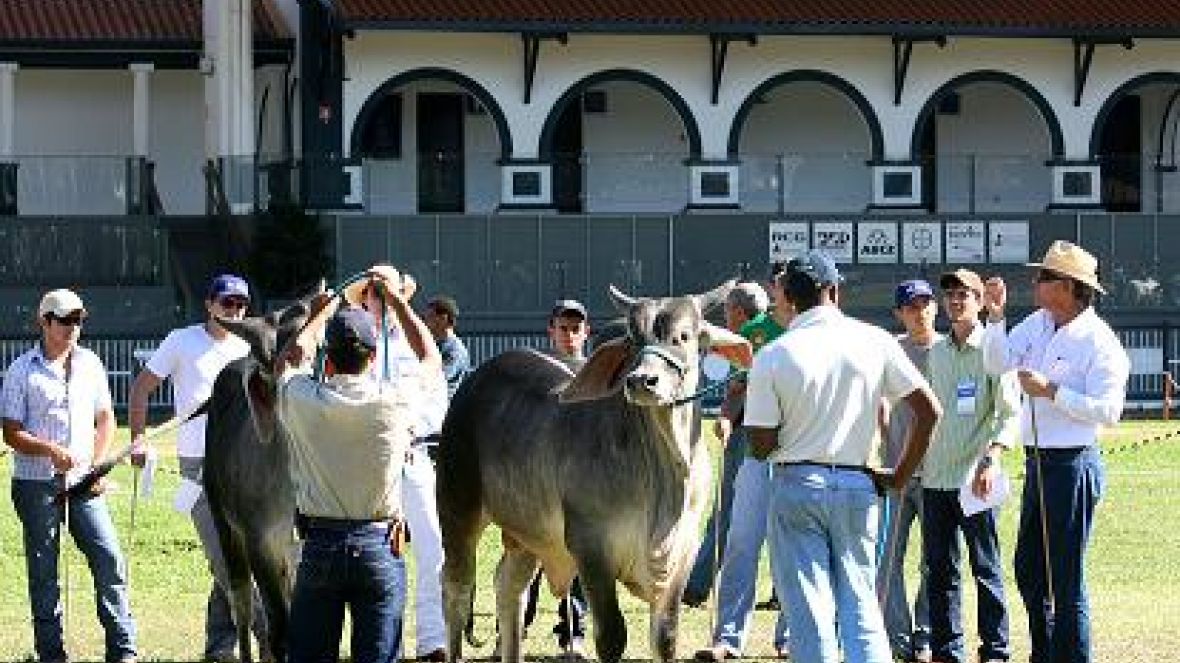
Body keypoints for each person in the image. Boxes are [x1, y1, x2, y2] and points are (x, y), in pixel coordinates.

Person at [745, 251, 941, 663]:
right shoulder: (874, 339)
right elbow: (929, 411)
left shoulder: (773, 356)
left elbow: (759, 446)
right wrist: (901, 474)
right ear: (834, 290)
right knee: (861, 605)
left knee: (810, 611)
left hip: (797, 483)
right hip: (859, 482)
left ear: (787, 298)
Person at [980, 240, 1129, 663]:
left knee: (1066, 579)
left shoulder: (1101, 343)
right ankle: (1046, 652)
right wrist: (994, 317)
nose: (1035, 282)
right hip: (1040, 462)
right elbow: (997, 364)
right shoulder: (1037, 322)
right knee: (1030, 570)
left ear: (1068, 286)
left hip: (1073, 464)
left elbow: (1109, 411)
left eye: (1044, 276)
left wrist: (1051, 391)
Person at [127, 273, 267, 662]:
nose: (234, 311)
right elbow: (140, 389)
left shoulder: (249, 346)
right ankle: (269, 634)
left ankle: (219, 647)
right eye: (227, 304)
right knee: (223, 557)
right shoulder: (181, 341)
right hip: (198, 465)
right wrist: (137, 439)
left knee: (235, 553)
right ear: (208, 305)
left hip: (245, 463)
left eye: (241, 304)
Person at [2, 288, 138, 663]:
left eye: (79, 320)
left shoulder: (92, 364)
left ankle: (123, 651)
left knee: (109, 557)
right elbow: (11, 432)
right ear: (43, 322)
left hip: (84, 481)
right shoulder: (20, 370)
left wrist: (95, 464)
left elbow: (106, 418)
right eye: (66, 320)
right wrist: (50, 451)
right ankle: (51, 653)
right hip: (35, 483)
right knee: (44, 572)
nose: (74, 327)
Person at [276, 304, 415, 663]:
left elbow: (289, 360)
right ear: (373, 356)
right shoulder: (395, 401)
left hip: (320, 541)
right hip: (379, 543)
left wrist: (320, 314)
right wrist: (398, 302)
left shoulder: (301, 398)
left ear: (329, 359)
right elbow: (429, 358)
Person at [345, 264, 448, 662]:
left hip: (414, 455)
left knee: (432, 546)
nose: (382, 298)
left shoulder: (415, 343)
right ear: (364, 298)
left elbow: (434, 399)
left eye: (389, 291)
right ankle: (382, 643)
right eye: (374, 291)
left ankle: (432, 642)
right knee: (373, 551)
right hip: (368, 461)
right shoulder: (351, 342)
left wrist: (407, 430)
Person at [922, 269, 1019, 663]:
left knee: (986, 568)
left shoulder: (995, 350)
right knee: (940, 571)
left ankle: (995, 650)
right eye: (950, 295)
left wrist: (991, 458)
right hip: (935, 477)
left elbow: (1009, 413)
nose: (955, 301)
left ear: (980, 301)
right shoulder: (936, 354)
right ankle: (947, 650)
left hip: (975, 480)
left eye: (964, 294)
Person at [694, 281, 790, 661]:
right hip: (754, 452)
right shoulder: (752, 335)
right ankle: (728, 639)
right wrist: (727, 419)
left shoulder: (814, 332)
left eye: (783, 289)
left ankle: (790, 638)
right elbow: (737, 388)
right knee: (739, 542)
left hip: (800, 457)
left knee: (790, 549)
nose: (778, 295)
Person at [519, 299, 591, 656]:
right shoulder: (536, 372)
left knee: (580, 557)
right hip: (536, 479)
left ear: (586, 332)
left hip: (581, 481)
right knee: (528, 550)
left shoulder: (597, 373)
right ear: (551, 332)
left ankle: (573, 633)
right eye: (563, 328)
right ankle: (517, 626)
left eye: (576, 328)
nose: (569, 335)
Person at [877, 279, 940, 663]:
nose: (920, 312)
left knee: (934, 562)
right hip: (896, 472)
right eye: (911, 306)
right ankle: (897, 638)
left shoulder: (950, 351)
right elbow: (877, 404)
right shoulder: (891, 351)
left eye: (925, 304)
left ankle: (926, 636)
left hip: (936, 475)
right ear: (899, 313)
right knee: (888, 561)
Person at [422, 296, 471, 399]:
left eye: (430, 316)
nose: (425, 322)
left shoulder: (455, 350)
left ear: (443, 319)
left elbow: (439, 378)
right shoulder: (433, 345)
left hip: (444, 408)